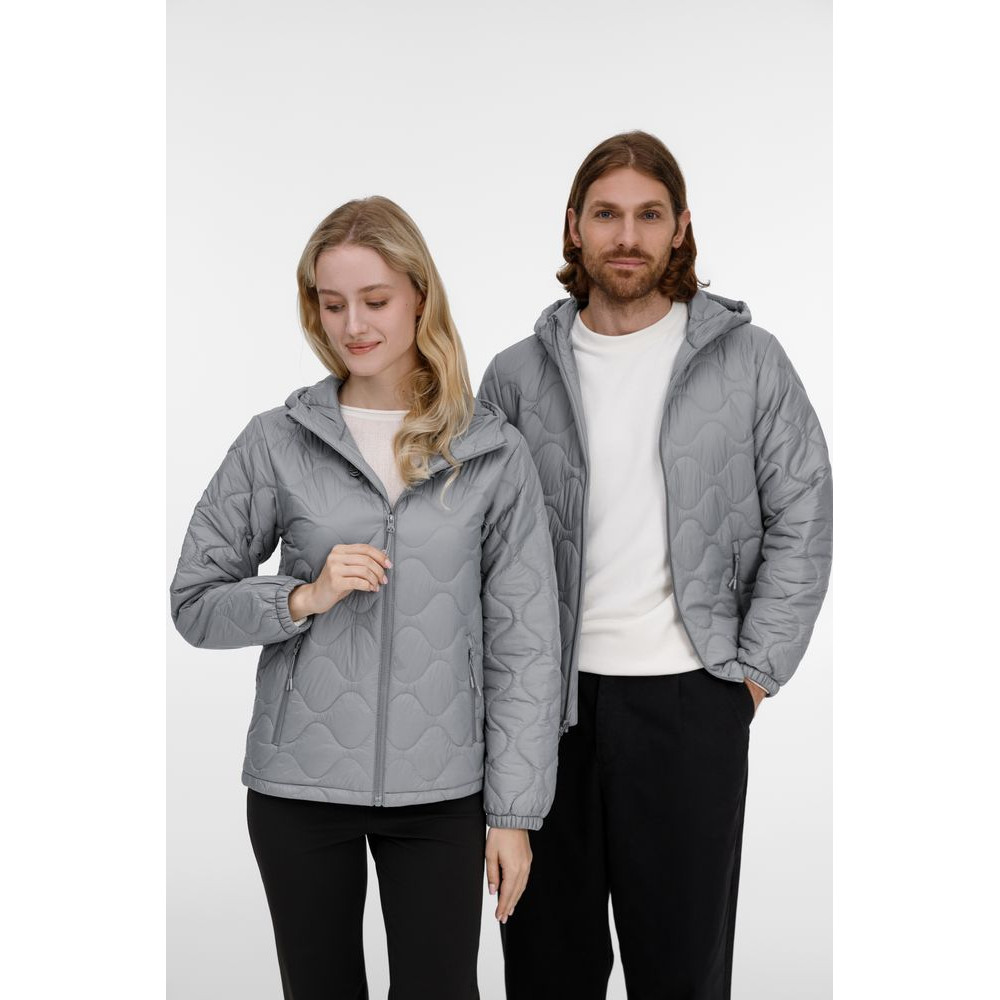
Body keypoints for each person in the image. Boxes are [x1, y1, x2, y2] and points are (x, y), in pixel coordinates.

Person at [170, 196, 562, 1000]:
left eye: (375, 300)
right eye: (332, 302)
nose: (353, 324)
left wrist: (515, 814)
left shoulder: (491, 451)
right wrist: (302, 597)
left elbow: (525, 645)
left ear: (420, 296)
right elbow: (195, 602)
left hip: (442, 793)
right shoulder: (276, 441)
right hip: (298, 787)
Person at [477, 131, 833, 999]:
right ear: (574, 226)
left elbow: (804, 515)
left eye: (648, 215)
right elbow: (477, 546)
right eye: (607, 214)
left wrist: (751, 677)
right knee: (547, 973)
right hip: (546, 715)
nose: (627, 236)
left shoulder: (750, 361)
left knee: (682, 975)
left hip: (691, 704)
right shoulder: (516, 376)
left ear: (681, 227)